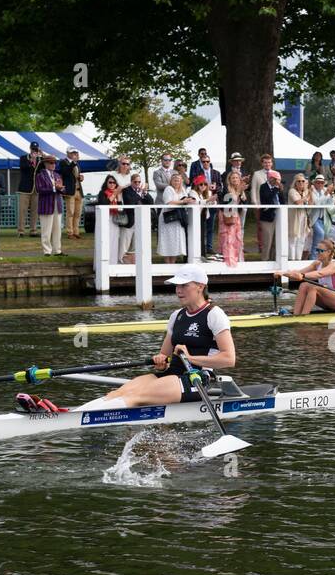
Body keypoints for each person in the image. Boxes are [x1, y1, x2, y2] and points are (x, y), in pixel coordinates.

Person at [83, 266, 235, 411]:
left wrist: (189, 358)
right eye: (177, 286)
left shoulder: (214, 314)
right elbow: (164, 355)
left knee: (136, 396)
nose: (178, 290)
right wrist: (161, 362)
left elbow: (228, 359)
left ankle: (85, 419)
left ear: (200, 287)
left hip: (197, 379)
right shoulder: (177, 316)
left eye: (184, 285)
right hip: (171, 375)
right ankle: (75, 415)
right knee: (118, 393)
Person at [274, 239, 335, 315]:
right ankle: (296, 314)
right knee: (304, 285)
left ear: (329, 252)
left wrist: (303, 275)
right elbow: (299, 272)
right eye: (317, 250)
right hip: (330, 300)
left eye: (321, 251)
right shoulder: (317, 264)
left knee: (313, 288)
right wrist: (282, 273)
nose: (318, 253)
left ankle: (303, 316)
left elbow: (320, 274)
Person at [158, 171, 195, 262]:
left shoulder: (183, 190)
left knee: (176, 240)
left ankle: (173, 262)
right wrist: (182, 201)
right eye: (174, 180)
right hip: (168, 217)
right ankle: (167, 264)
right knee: (167, 240)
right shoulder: (168, 189)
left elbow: (186, 200)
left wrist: (190, 200)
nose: (176, 182)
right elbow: (168, 202)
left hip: (178, 217)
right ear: (171, 181)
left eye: (178, 180)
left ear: (181, 181)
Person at [96, 176, 132, 263]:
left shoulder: (117, 193)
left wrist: (118, 197)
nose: (112, 184)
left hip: (115, 219)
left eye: (114, 182)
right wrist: (115, 193)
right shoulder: (103, 193)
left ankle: (112, 262)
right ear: (106, 183)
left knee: (114, 241)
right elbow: (104, 204)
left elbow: (120, 208)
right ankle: (102, 262)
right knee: (105, 241)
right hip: (105, 218)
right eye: (110, 182)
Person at [35, 153, 64, 256]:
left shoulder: (57, 175)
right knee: (46, 230)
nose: (53, 165)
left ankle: (57, 250)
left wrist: (61, 188)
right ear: (45, 164)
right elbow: (39, 189)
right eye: (51, 163)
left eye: (54, 163)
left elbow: (62, 190)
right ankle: (47, 251)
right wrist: (54, 188)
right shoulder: (40, 176)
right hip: (46, 205)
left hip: (57, 205)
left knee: (57, 229)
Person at [218, 170, 246, 267]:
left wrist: (241, 193)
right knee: (228, 238)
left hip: (235, 215)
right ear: (229, 179)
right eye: (233, 178)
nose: (235, 179)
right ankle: (228, 261)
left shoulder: (240, 190)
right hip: (227, 216)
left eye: (237, 178)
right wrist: (238, 192)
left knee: (237, 238)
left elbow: (244, 203)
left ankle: (237, 260)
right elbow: (228, 202)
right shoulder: (226, 189)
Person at [16, 141, 41, 236]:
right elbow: (24, 167)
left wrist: (42, 155)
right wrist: (32, 160)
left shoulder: (40, 160)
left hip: (36, 189)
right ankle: (21, 231)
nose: (34, 151)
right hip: (25, 189)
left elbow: (46, 166)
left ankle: (33, 230)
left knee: (35, 211)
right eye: (33, 149)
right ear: (30, 149)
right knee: (22, 210)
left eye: (36, 149)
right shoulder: (23, 158)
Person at [59, 148, 84, 240]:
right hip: (70, 191)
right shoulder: (63, 162)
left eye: (75, 152)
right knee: (70, 212)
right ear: (67, 153)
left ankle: (76, 231)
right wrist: (73, 162)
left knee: (78, 213)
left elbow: (75, 176)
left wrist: (80, 177)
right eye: (73, 152)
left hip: (78, 190)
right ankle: (70, 232)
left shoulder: (76, 163)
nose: (74, 154)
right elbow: (65, 172)